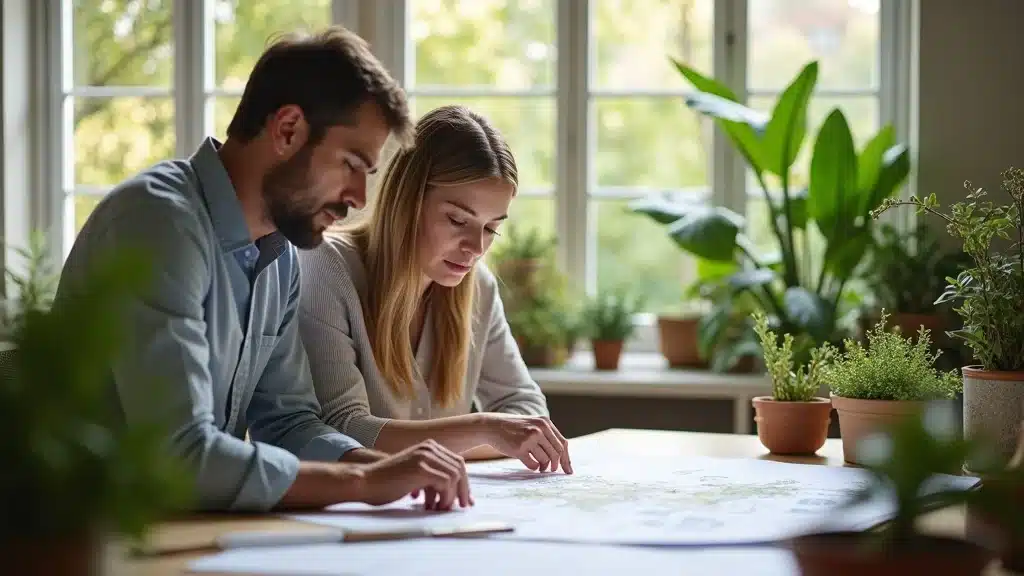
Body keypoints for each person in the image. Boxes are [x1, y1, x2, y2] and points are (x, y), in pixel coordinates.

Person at [54, 26, 472, 513]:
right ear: (288, 129)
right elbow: (178, 456)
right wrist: (361, 483)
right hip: (89, 533)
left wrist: (375, 466)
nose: (359, 198)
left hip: (182, 529)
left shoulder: (279, 256)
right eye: (351, 164)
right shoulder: (159, 222)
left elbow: (290, 421)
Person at [297, 105, 573, 475]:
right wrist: (484, 429)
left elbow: (526, 410)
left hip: (438, 506)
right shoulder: (327, 266)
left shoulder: (479, 288)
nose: (476, 248)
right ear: (408, 202)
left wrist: (455, 445)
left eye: (491, 228)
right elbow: (343, 432)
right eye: (458, 220)